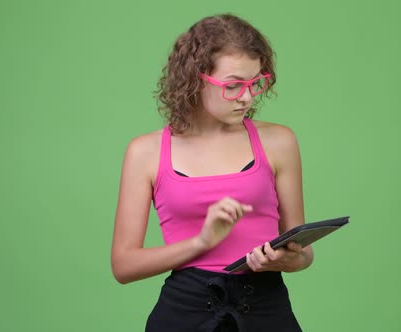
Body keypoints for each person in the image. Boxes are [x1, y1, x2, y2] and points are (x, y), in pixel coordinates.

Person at [111, 13, 313, 331]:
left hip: (267, 309)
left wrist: (286, 260)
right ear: (195, 77)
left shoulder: (279, 141)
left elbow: (303, 254)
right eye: (233, 85)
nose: (246, 96)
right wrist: (202, 241)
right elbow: (123, 266)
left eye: (255, 82)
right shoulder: (145, 152)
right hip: (184, 313)